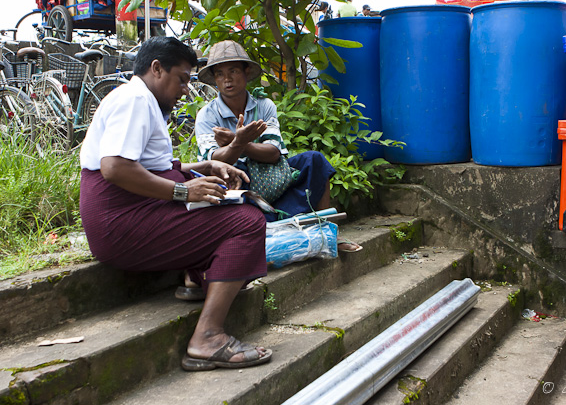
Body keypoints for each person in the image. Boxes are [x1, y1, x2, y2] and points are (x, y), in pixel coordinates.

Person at [79, 36, 272, 371]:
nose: (185, 89)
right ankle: (207, 337)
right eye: (182, 79)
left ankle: (199, 281)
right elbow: (114, 167)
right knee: (247, 221)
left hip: (131, 214)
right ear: (156, 69)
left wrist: (201, 167)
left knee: (225, 203)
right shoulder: (135, 100)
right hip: (120, 222)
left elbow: (146, 162)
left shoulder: (140, 99)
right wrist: (184, 192)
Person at [194, 40, 363, 253]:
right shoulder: (207, 115)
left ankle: (327, 234)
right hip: (240, 189)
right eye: (219, 74)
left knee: (314, 160)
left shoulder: (264, 105)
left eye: (234, 71)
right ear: (215, 80)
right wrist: (239, 142)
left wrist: (239, 143)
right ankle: (266, 229)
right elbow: (214, 161)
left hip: (273, 181)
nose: (227, 79)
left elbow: (274, 153)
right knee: (230, 182)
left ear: (246, 72)